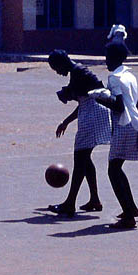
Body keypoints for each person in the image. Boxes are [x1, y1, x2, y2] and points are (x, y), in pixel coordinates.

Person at [90, 42, 138, 229]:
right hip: (133, 122)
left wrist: (101, 97)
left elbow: (119, 106)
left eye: (107, 56)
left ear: (114, 57)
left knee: (113, 170)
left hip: (123, 125)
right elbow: (135, 104)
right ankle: (131, 208)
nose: (105, 60)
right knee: (117, 167)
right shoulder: (129, 75)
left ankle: (129, 215)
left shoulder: (114, 78)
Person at [47, 50, 112, 216]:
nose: (57, 72)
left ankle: (70, 203)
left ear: (63, 62)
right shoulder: (77, 72)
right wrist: (66, 122)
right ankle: (95, 200)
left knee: (80, 158)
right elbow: (83, 101)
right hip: (92, 112)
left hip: (94, 114)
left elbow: (78, 95)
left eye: (56, 68)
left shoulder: (78, 72)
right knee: (85, 157)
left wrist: (66, 94)